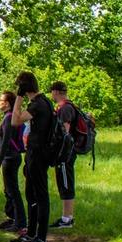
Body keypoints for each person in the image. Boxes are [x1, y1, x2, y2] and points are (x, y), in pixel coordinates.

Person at [10, 70, 56, 242]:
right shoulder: (42, 101)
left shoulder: (38, 104)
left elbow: (15, 121)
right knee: (31, 195)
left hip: (39, 154)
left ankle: (41, 238)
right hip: (34, 154)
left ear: (24, 87)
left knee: (40, 196)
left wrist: (18, 99)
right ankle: (31, 233)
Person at [0, 90, 26, 234]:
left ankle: (20, 222)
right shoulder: (10, 116)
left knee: (12, 191)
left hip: (10, 157)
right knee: (8, 190)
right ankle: (12, 218)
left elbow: (6, 140)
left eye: (1, 100)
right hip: (11, 157)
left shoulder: (9, 118)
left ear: (7, 103)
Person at [50, 80, 77, 229]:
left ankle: (67, 219)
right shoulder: (68, 106)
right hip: (66, 153)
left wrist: (58, 152)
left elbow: (65, 134)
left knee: (66, 183)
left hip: (66, 154)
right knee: (64, 182)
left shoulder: (65, 108)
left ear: (56, 92)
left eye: (52, 92)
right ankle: (66, 217)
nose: (51, 95)